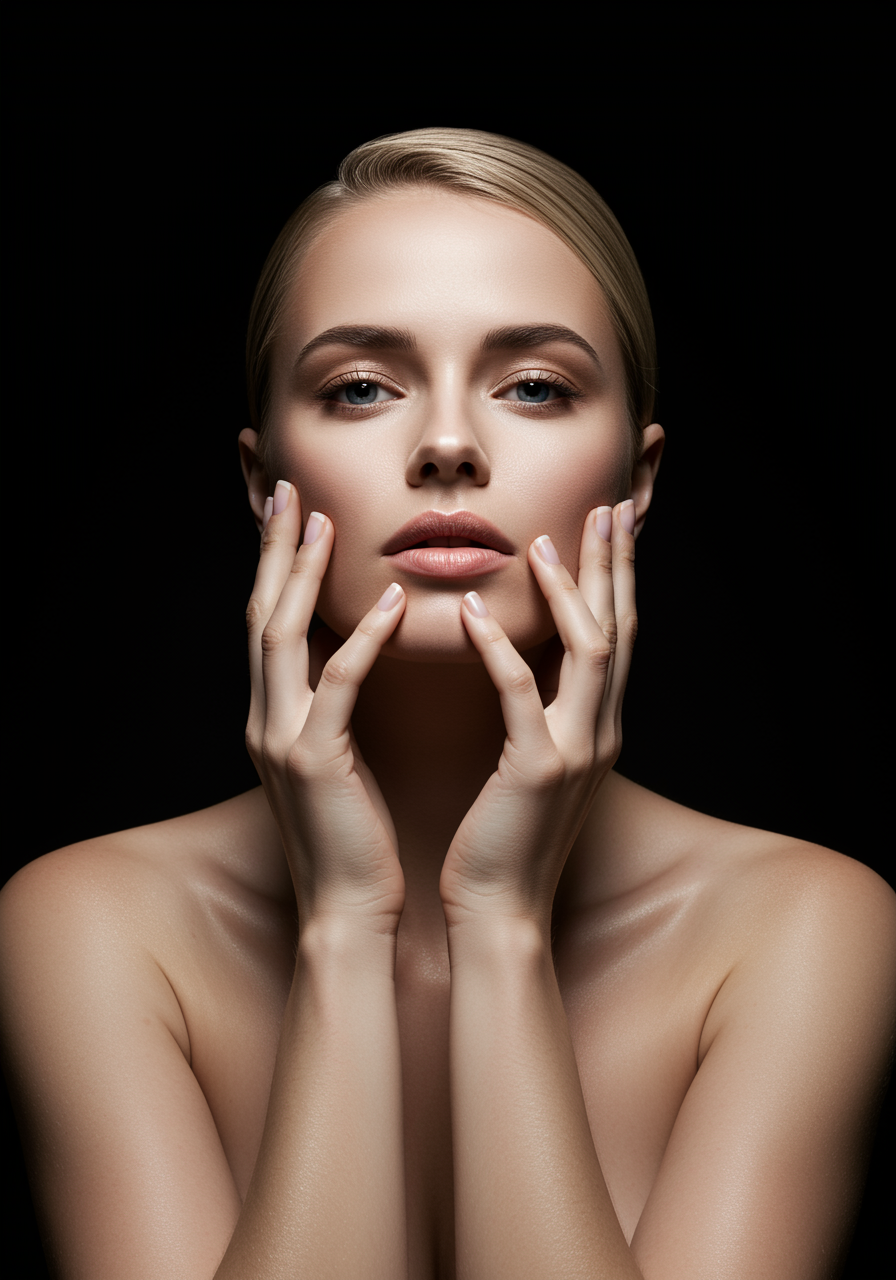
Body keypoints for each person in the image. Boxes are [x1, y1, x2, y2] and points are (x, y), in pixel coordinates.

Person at [1, 127, 893, 1280]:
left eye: (533, 385)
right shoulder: (89, 927)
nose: (447, 445)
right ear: (262, 482)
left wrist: (504, 926)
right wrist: (339, 928)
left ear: (635, 480)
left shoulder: (804, 929)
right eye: (361, 385)